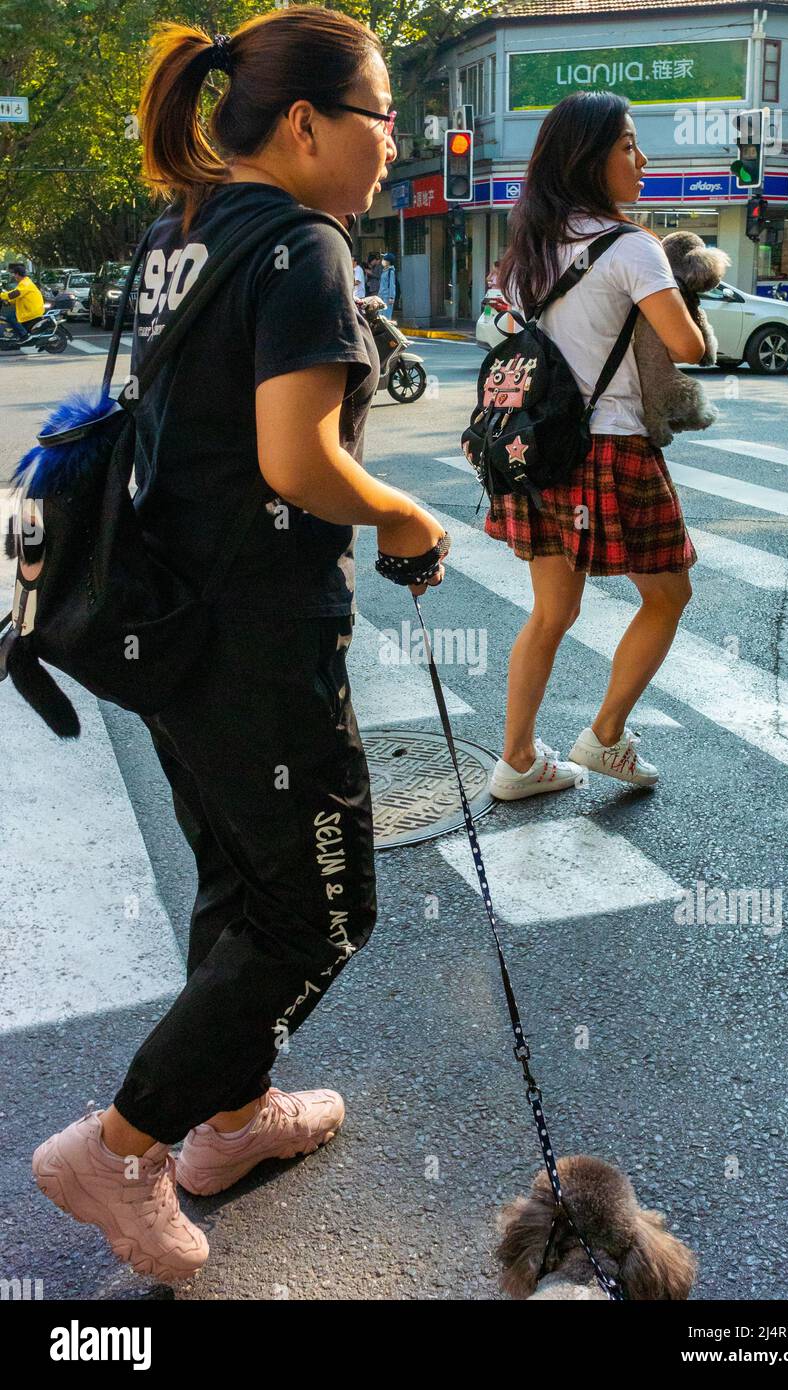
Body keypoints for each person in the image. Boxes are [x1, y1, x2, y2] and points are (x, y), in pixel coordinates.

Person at [31, 6, 447, 1285]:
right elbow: (293, 460)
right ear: (311, 122)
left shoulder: (186, 231)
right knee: (320, 911)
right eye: (383, 118)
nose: (395, 143)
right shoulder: (303, 245)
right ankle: (120, 1143)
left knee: (237, 879)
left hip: (172, 630)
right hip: (259, 643)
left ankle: (229, 1118)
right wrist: (403, 511)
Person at [485, 91, 704, 801]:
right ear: (588, 158)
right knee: (668, 594)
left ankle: (516, 760)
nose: (642, 160)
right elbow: (687, 345)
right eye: (628, 146)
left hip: (538, 453)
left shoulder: (523, 254)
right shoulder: (633, 247)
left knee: (552, 612)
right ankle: (606, 734)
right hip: (611, 448)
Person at [0, 262, 45, 341]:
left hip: (31, 310)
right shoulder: (24, 282)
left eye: (14, 274)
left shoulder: (25, 284)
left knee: (10, 317)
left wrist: (1, 295)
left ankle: (24, 335)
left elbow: (14, 294)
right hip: (29, 308)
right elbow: (19, 296)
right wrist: (9, 302)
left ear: (17, 274)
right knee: (11, 315)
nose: (14, 276)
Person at [379, 250, 396, 318]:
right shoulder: (384, 271)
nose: (382, 261)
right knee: (380, 315)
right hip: (381, 296)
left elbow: (392, 285)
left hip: (387, 297)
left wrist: (391, 297)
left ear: (388, 262)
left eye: (384, 259)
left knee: (386, 316)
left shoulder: (390, 272)